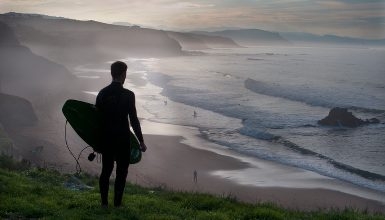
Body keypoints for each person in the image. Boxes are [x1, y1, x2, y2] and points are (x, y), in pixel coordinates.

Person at [96, 61, 147, 208]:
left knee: (106, 171)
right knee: (121, 172)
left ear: (112, 73)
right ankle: (117, 204)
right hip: (123, 139)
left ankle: (104, 204)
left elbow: (97, 119)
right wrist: (141, 141)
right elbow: (134, 120)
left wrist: (97, 141)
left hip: (107, 138)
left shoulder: (102, 93)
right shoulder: (129, 95)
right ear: (124, 74)